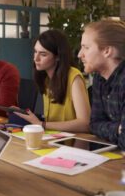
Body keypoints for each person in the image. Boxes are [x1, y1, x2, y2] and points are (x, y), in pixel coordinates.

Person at [14, 30, 90, 132]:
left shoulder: (74, 77)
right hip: (53, 139)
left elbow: (85, 124)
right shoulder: (46, 79)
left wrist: (41, 124)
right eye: (35, 52)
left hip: (71, 143)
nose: (36, 58)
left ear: (58, 57)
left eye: (43, 54)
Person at [78, 19, 125, 149]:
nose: (79, 54)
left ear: (107, 51)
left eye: (86, 48)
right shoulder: (99, 78)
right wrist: (117, 129)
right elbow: (94, 124)